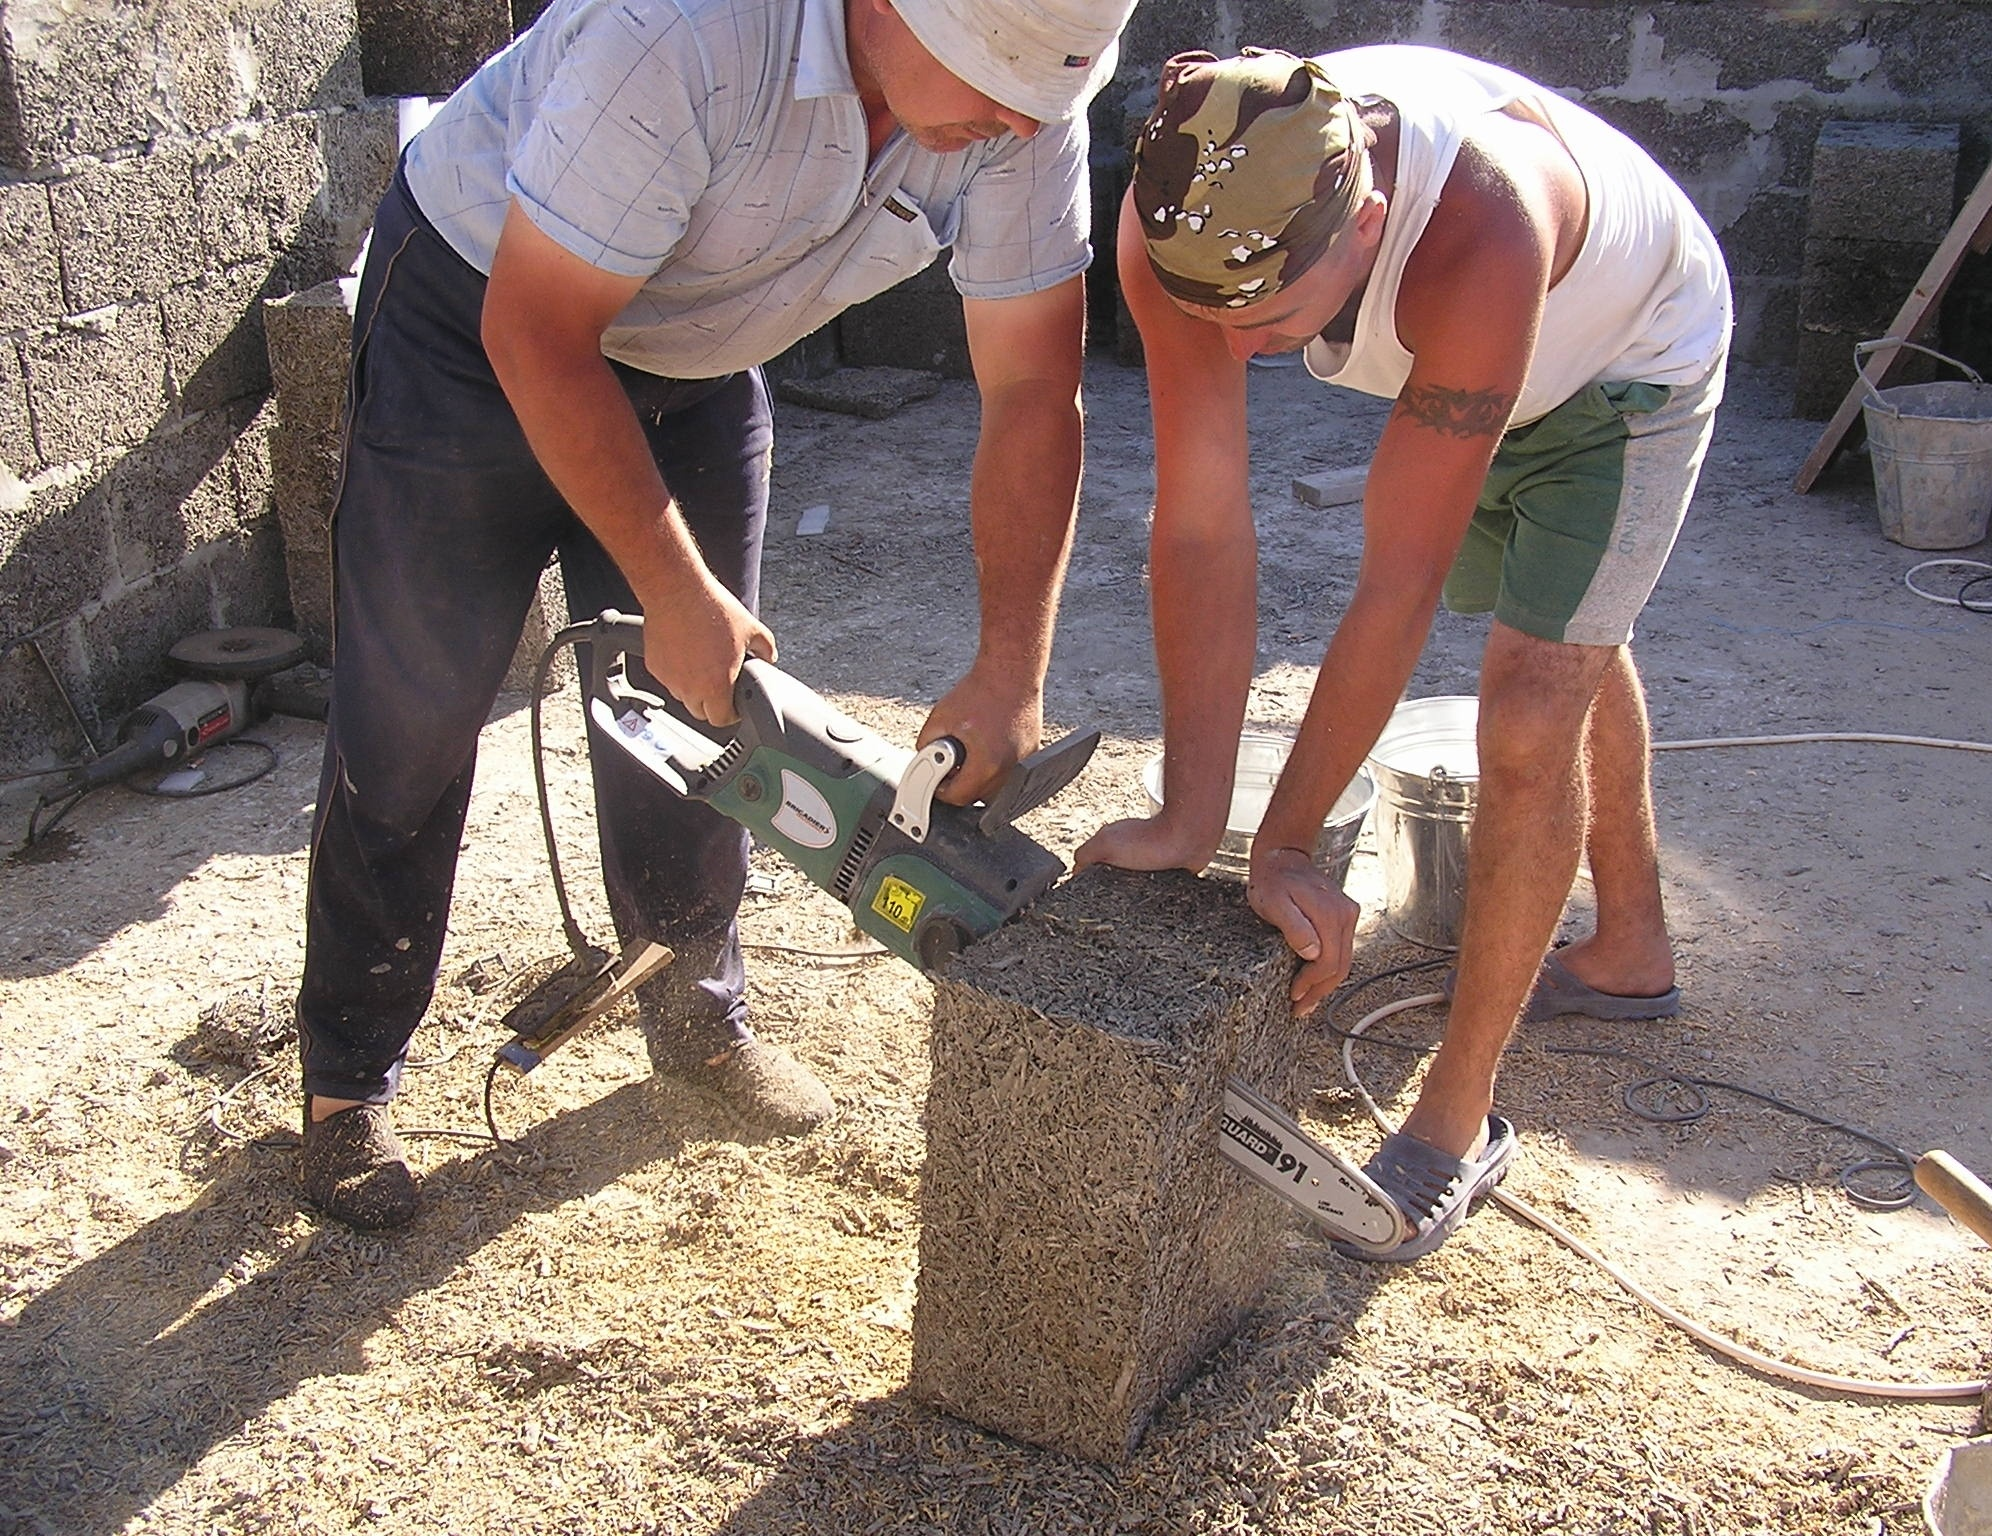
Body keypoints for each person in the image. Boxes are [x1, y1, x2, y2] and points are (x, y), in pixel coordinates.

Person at [297, 0, 1139, 1229]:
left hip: (692, 346)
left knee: (704, 720)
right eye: (987, 88)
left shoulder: (1024, 98)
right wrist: (673, 586)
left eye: (1033, 106)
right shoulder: (683, 32)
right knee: (413, 715)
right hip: (485, 318)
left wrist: (1012, 669)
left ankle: (696, 1015)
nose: (1009, 127)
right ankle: (346, 1086)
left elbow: (1029, 388)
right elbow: (538, 332)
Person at [1080, 44, 1731, 1259]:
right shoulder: (1181, 213)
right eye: (1208, 318)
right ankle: (1630, 948)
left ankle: (1457, 1113)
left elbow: (1396, 582)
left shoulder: (1482, 224)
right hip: (1470, 362)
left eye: (1269, 319)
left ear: (1365, 218)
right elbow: (1203, 525)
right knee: (1568, 637)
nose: (1235, 353)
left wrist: (1281, 846)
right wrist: (1191, 813)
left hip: (1622, 366)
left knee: (1533, 705)